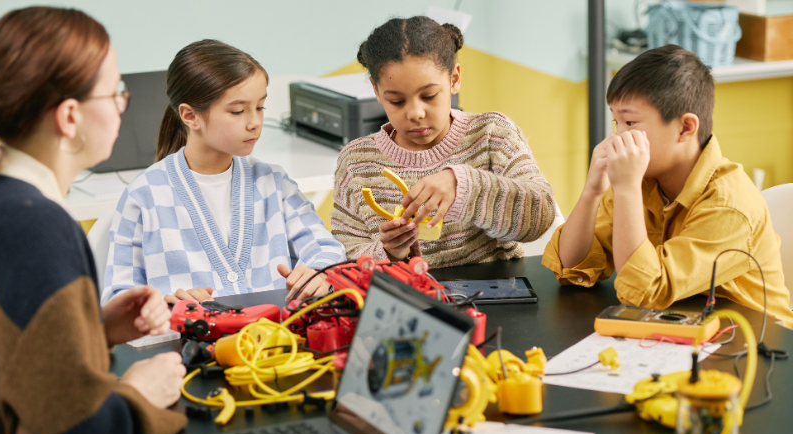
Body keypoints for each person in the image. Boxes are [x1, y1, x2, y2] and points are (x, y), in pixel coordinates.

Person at [0, 7, 186, 434]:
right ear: (69, 117)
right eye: (115, 93)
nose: (122, 104)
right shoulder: (35, 229)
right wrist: (139, 393)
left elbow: (10, 356)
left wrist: (93, 330)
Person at [543, 45, 793, 327]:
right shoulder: (641, 179)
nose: (617, 138)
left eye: (630, 122)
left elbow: (643, 292)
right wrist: (592, 191)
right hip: (681, 331)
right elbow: (572, 267)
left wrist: (625, 188)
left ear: (686, 128)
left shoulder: (728, 204)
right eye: (616, 122)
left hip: (753, 348)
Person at [101, 40, 345, 306]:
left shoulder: (275, 184)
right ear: (190, 116)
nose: (254, 122)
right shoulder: (144, 196)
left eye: (260, 107)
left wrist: (318, 273)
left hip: (278, 342)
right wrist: (166, 305)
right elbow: (118, 299)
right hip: (186, 346)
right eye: (237, 111)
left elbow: (326, 251)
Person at [332, 16, 556, 267]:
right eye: (396, 101)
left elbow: (541, 215)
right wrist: (389, 253)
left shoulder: (491, 134)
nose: (415, 113)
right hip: (404, 300)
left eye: (428, 95)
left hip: (491, 296)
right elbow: (344, 256)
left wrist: (465, 187)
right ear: (376, 90)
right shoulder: (356, 162)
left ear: (454, 79)